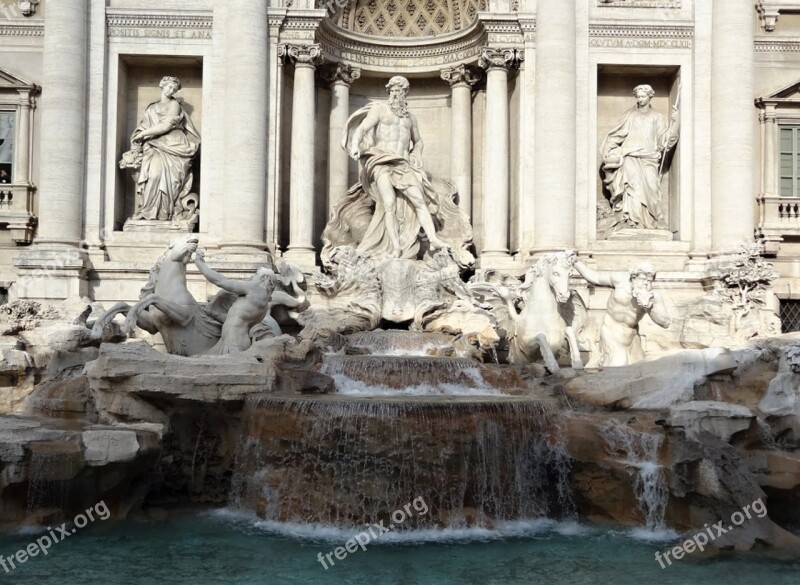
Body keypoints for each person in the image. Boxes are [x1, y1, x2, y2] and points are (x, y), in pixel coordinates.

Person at [342, 76, 450, 259]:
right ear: (388, 91)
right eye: (392, 90)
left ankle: (433, 239)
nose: (395, 93)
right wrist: (354, 147)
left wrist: (416, 153)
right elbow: (361, 129)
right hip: (381, 160)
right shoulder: (379, 110)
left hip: (402, 164)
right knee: (389, 203)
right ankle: (395, 246)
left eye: (399, 90)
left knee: (419, 200)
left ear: (405, 93)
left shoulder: (410, 118)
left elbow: (419, 141)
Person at [601, 84, 679, 230]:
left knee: (652, 188)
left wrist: (676, 123)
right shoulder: (629, 115)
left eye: (643, 96)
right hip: (630, 156)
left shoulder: (657, 117)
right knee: (632, 189)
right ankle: (631, 222)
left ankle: (653, 221)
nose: (640, 99)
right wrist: (608, 149)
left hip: (649, 158)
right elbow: (618, 135)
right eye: (638, 96)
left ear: (650, 97)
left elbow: (665, 141)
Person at [124, 75, 200, 221]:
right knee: (152, 177)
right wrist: (139, 136)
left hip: (173, 145)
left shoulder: (174, 105)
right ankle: (148, 210)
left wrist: (144, 134)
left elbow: (166, 126)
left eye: (174, 89)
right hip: (153, 146)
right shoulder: (151, 108)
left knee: (169, 182)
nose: (171, 90)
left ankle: (165, 212)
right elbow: (143, 126)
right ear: (161, 85)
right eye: (169, 87)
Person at [573, 259, 671, 367]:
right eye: (643, 279)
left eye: (649, 281)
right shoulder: (619, 280)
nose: (645, 283)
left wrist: (649, 308)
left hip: (632, 336)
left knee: (637, 370)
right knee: (618, 364)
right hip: (611, 330)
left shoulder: (653, 296)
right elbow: (595, 278)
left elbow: (665, 322)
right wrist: (576, 262)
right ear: (634, 277)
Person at [194, 249, 276, 355]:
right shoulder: (261, 304)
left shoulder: (255, 289)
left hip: (234, 343)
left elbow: (221, 281)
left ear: (263, 278)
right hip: (231, 341)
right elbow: (234, 320)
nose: (252, 278)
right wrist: (214, 314)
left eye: (255, 275)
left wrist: (200, 264)